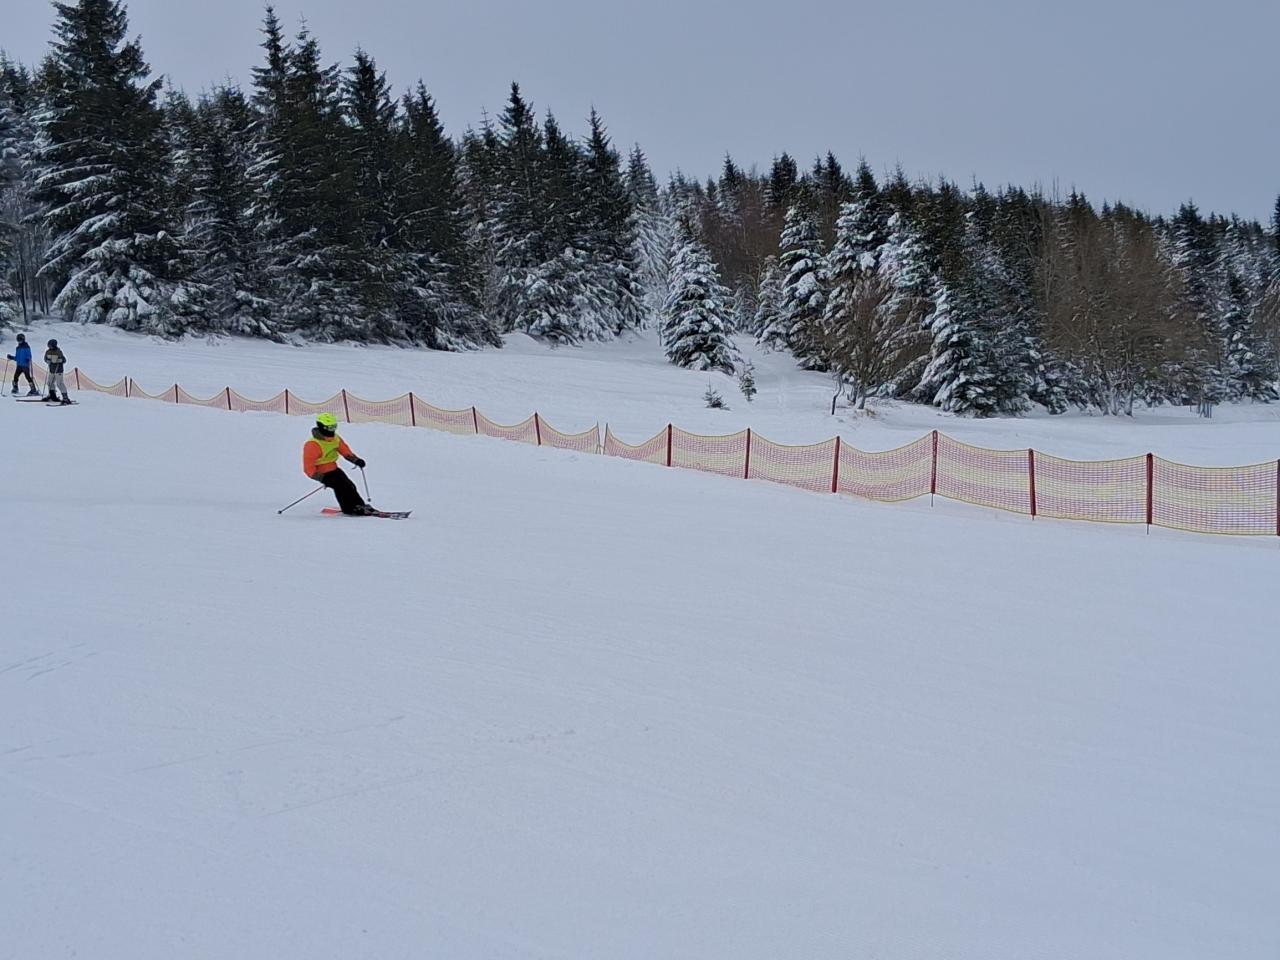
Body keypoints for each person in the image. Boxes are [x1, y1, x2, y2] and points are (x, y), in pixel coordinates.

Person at [302, 412, 373, 515]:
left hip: (334, 469)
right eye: (329, 427)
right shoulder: (312, 445)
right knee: (341, 487)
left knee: (350, 485)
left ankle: (359, 505)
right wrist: (322, 478)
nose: (332, 430)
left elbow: (345, 451)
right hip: (323, 473)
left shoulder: (335, 438)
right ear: (322, 427)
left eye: (334, 427)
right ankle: (349, 509)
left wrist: (356, 460)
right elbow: (308, 468)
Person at [43, 339, 71, 404]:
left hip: (58, 370)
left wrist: (60, 360)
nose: (49, 347)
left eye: (50, 345)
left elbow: (64, 360)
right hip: (51, 369)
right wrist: (47, 361)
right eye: (48, 345)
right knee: (49, 383)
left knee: (59, 384)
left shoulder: (58, 352)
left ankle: (65, 398)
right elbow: (45, 358)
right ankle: (52, 396)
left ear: (54, 345)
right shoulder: (48, 351)